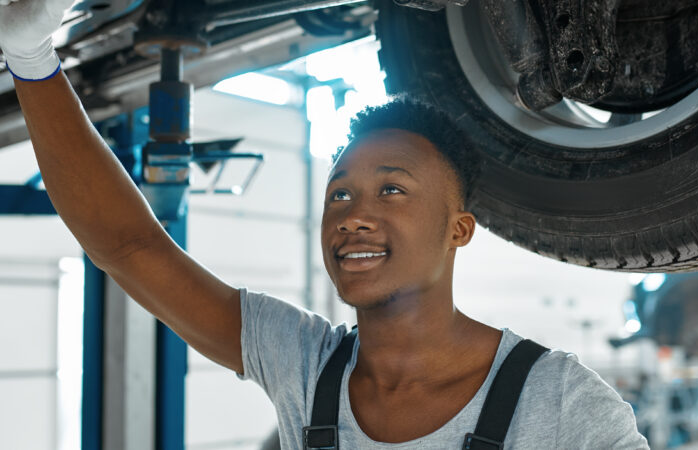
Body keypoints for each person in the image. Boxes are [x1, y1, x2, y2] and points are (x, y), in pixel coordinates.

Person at [0, 1, 649, 448]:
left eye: (392, 189)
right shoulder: (307, 366)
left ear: (460, 229)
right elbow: (129, 246)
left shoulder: (561, 403)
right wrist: (32, 58)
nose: (355, 216)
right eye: (339, 195)